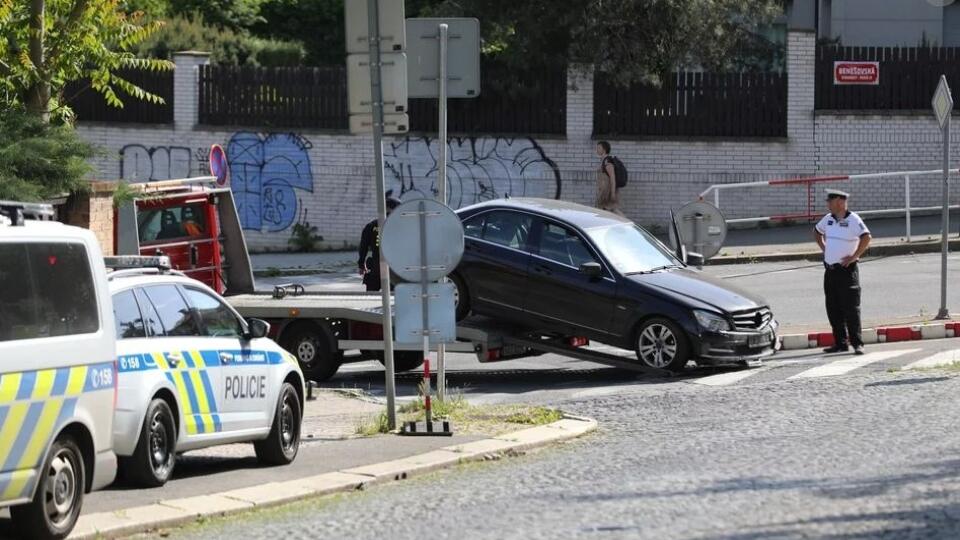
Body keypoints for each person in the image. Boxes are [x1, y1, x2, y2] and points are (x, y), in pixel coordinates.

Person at [814, 189, 872, 355]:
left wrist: (854, 256)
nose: (828, 204)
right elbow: (817, 232)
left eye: (830, 201)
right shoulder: (828, 219)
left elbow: (867, 237)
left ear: (840, 201)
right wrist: (824, 248)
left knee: (851, 309)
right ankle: (840, 343)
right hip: (830, 270)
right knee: (833, 307)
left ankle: (857, 343)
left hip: (847, 271)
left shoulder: (853, 219)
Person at [358, 195, 402, 292]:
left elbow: (363, 246)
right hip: (393, 268)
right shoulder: (400, 225)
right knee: (393, 297)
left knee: (371, 296)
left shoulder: (371, 225)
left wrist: (361, 264)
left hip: (376, 266)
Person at [595, 141, 623, 216]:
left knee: (612, 210)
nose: (597, 150)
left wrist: (612, 193)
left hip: (608, 192)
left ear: (604, 149)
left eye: (599, 148)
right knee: (608, 210)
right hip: (604, 191)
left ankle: (626, 224)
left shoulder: (607, 161)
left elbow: (612, 178)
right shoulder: (603, 161)